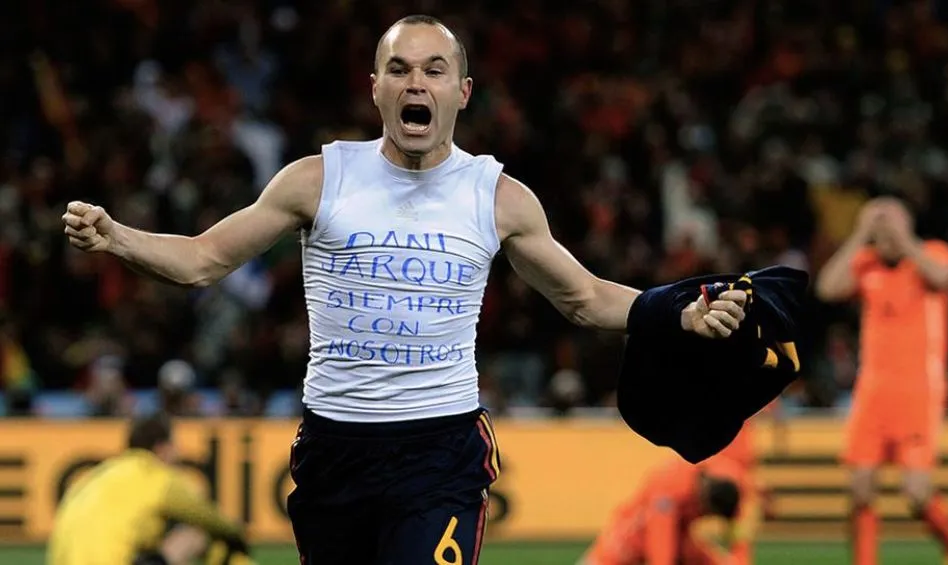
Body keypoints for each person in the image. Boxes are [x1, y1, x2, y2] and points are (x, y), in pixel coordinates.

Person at [62, 14, 749, 565]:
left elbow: (584, 297)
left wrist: (677, 314)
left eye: (433, 69)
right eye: (399, 69)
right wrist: (117, 237)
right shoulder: (317, 180)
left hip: (439, 452)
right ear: (376, 89)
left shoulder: (498, 197)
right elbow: (202, 260)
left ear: (462, 92)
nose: (415, 81)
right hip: (334, 452)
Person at [816, 197, 948, 565]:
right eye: (879, 230)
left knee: (916, 493)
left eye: (891, 227)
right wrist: (859, 234)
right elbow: (827, 289)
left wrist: (904, 239)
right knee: (860, 489)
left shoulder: (932, 254)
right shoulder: (867, 263)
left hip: (919, 393)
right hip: (872, 393)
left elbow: (944, 277)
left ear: (906, 226)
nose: (886, 237)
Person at [46, 412, 252, 565]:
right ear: (161, 448)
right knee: (194, 535)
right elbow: (207, 516)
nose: (178, 453)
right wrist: (236, 533)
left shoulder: (93, 477)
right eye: (174, 446)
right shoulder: (156, 476)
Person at [578, 457, 747, 565]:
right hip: (630, 540)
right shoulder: (670, 491)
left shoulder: (726, 479)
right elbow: (661, 545)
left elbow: (737, 530)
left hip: (679, 537)